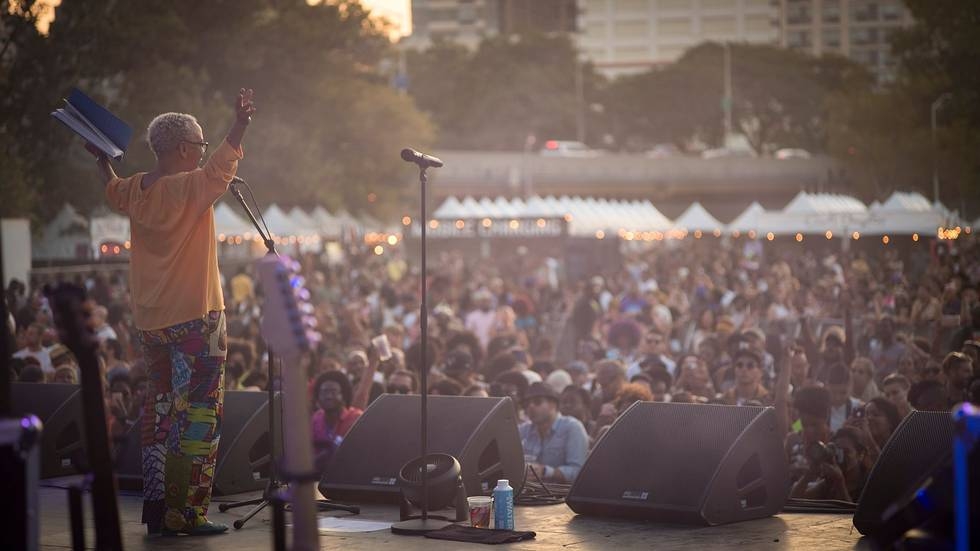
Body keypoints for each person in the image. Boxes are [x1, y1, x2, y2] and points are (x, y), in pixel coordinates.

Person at [94, 88, 255, 536]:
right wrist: (240, 122)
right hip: (196, 318)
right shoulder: (189, 186)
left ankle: (158, 511)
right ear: (184, 149)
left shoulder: (136, 189)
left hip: (151, 321)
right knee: (200, 414)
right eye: (199, 145)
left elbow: (111, 187)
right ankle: (188, 514)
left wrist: (100, 157)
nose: (203, 152)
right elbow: (223, 164)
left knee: (160, 412)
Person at [518, 383, 589, 483]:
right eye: (526, 404)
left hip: (559, 495)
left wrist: (546, 471)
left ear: (553, 405)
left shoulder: (572, 427)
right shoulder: (524, 429)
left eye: (537, 402)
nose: (531, 407)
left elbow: (578, 472)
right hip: (529, 493)